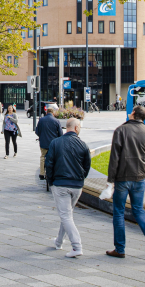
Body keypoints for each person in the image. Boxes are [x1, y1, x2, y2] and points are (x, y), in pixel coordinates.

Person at [106, 104, 145, 259]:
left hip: (123, 176)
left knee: (119, 212)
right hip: (140, 176)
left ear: (134, 114)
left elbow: (114, 158)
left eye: (131, 112)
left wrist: (111, 180)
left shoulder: (121, 130)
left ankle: (120, 248)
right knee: (138, 210)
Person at [45, 118, 91, 257]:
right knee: (67, 215)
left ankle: (77, 246)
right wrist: (81, 178)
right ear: (76, 128)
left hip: (60, 184)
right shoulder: (83, 145)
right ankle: (59, 242)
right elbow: (87, 165)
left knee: (65, 215)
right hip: (76, 185)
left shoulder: (56, 143)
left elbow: (49, 163)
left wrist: (51, 181)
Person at [35, 105, 63, 181]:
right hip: (53, 144)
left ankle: (41, 174)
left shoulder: (41, 120)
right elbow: (61, 134)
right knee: (54, 158)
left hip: (43, 143)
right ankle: (54, 172)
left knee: (43, 157)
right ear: (53, 113)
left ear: (46, 112)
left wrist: (41, 136)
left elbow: (37, 131)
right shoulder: (56, 121)